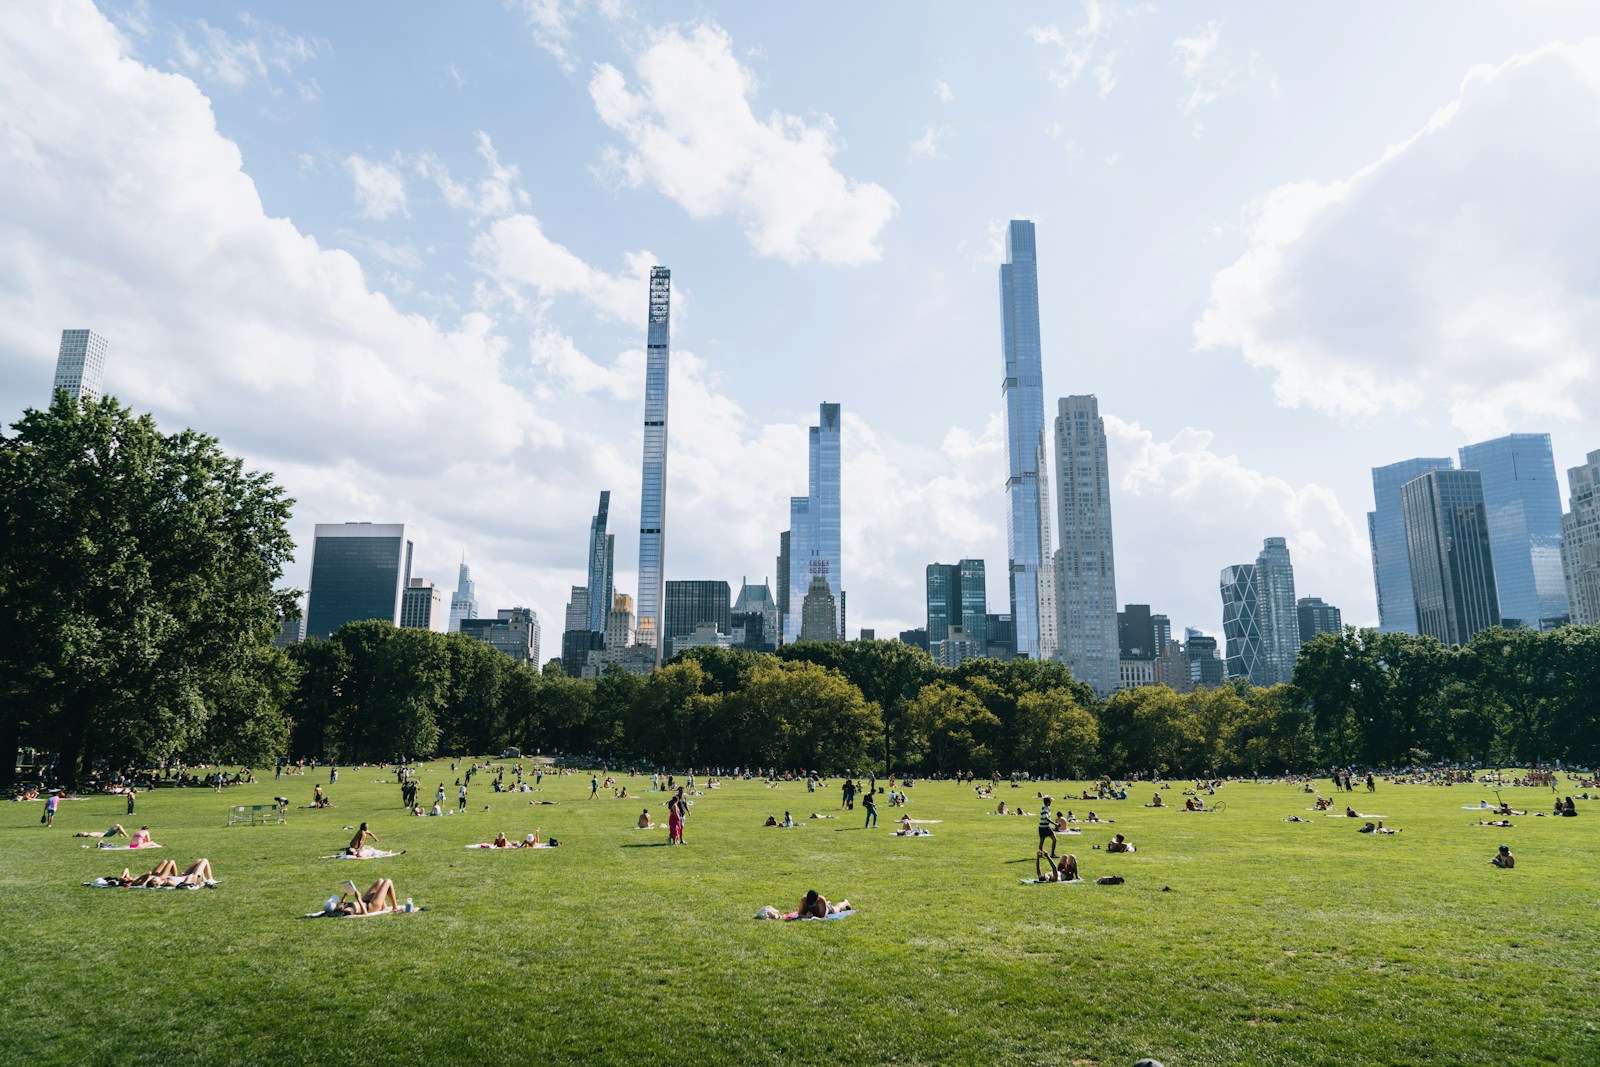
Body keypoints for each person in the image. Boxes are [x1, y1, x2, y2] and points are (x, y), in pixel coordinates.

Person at [331, 878, 400, 915]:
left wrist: (344, 896)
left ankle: (383, 907)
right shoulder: (346, 910)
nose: (337, 903)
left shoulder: (339, 907)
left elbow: (343, 904)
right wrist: (358, 899)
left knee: (380, 881)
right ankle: (395, 908)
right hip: (371, 907)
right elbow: (365, 914)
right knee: (388, 881)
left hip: (364, 901)